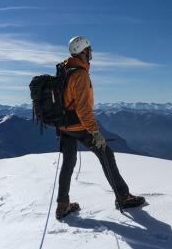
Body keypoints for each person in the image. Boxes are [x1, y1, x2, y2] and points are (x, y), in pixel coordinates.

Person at [55, 36, 145, 220]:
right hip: (78, 125)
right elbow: (83, 108)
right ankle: (122, 197)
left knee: (68, 163)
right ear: (84, 52)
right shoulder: (79, 74)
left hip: (63, 125)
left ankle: (62, 205)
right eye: (89, 50)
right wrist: (95, 132)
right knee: (107, 154)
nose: (91, 54)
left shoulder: (65, 69)